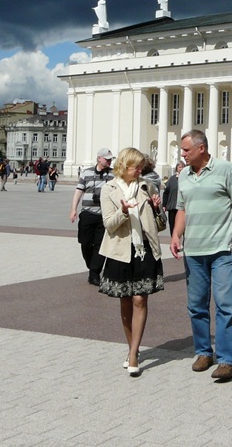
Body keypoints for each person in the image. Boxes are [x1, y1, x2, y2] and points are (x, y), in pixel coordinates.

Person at [171, 129, 232, 382]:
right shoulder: (184, 175)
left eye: (186, 150)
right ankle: (203, 352)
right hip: (194, 250)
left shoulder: (225, 169)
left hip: (222, 249)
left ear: (202, 149)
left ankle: (226, 360)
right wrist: (177, 234)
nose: (183, 154)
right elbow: (182, 209)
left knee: (225, 305)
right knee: (196, 306)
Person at [99, 147, 165, 376]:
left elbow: (161, 224)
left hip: (144, 249)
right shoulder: (108, 189)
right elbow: (109, 224)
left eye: (140, 167)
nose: (139, 170)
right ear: (123, 166)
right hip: (120, 251)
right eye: (134, 166)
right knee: (126, 300)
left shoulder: (149, 186)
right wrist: (124, 212)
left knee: (139, 299)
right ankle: (131, 348)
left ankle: (135, 352)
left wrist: (158, 209)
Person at [69, 148, 114, 286]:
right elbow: (79, 190)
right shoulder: (87, 172)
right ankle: (92, 265)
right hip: (88, 213)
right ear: (99, 158)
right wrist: (73, 209)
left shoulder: (114, 175)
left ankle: (94, 274)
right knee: (85, 243)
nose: (109, 161)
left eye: (111, 159)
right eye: (107, 159)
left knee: (100, 245)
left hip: (104, 215)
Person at [162, 161, 184, 231]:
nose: (181, 169)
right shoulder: (172, 179)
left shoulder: (188, 178)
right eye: (179, 167)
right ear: (176, 169)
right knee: (172, 226)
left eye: (183, 167)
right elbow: (166, 192)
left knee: (184, 226)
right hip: (172, 206)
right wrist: (164, 205)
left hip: (183, 207)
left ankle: (184, 241)